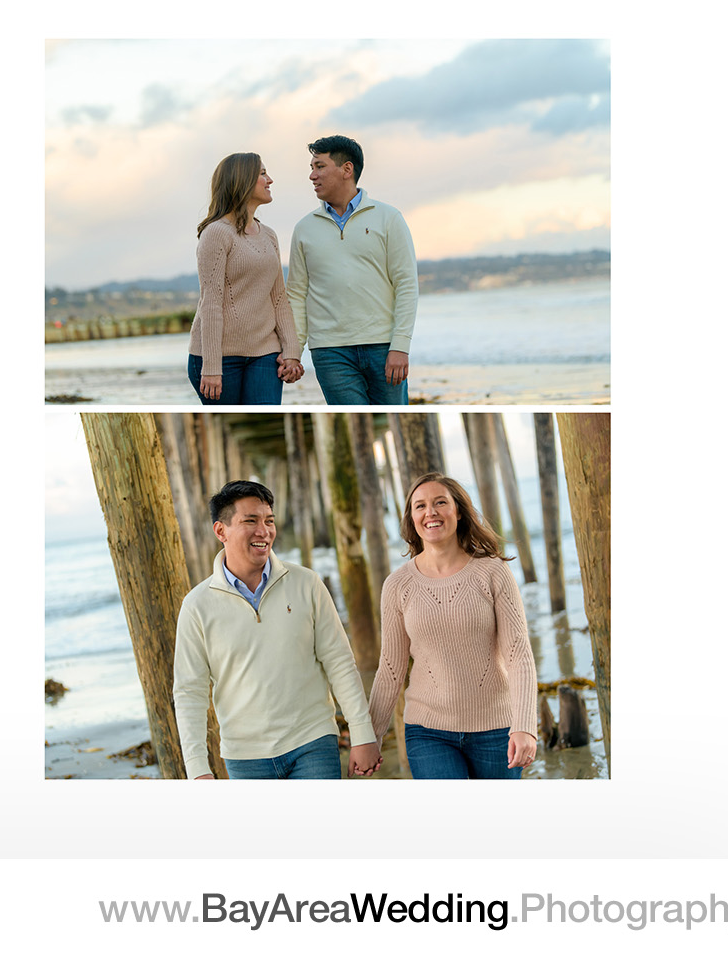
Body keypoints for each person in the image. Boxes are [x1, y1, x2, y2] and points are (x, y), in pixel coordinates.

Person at [173, 480, 381, 779]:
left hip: (313, 740)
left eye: (269, 521)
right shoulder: (197, 605)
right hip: (245, 756)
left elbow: (339, 661)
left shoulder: (306, 583)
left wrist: (362, 734)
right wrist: (196, 769)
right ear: (221, 531)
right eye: (250, 521)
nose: (264, 531)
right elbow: (189, 691)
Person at [368, 473, 539, 779]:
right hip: (428, 731)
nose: (430, 512)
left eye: (440, 503)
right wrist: (371, 736)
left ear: (458, 511)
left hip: (495, 728)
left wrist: (525, 726)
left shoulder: (492, 572)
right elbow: (391, 669)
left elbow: (518, 655)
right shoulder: (397, 585)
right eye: (420, 506)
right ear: (411, 518)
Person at [285, 135, 418, 405]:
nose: (312, 175)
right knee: (354, 425)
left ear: (347, 169)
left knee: (395, 421)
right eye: (312, 168)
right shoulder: (303, 229)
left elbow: (406, 284)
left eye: (319, 166)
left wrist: (400, 346)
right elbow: (297, 294)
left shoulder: (389, 218)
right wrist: (293, 351)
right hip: (329, 352)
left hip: (383, 347)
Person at [186, 153, 303, 405]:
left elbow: (279, 299)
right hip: (220, 358)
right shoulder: (216, 233)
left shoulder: (269, 235)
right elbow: (211, 303)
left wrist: (292, 351)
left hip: (265, 353)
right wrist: (212, 367)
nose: (269, 180)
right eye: (262, 174)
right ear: (242, 181)